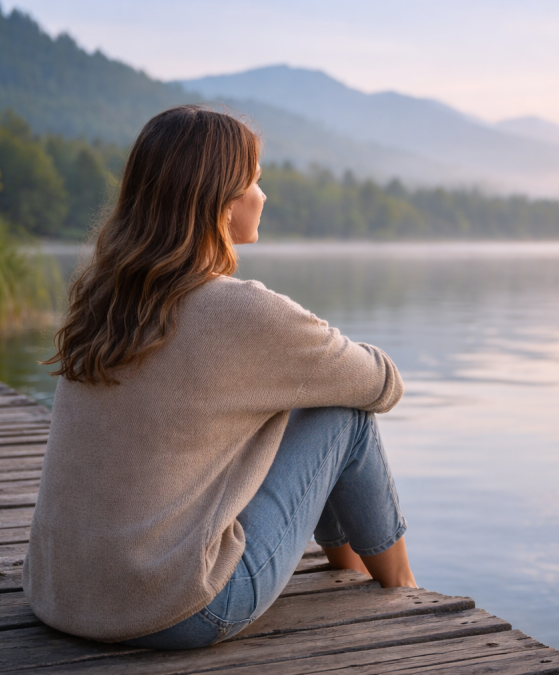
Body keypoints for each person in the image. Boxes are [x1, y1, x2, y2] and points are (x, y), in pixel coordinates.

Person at [23, 105, 416, 649]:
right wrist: (312, 349)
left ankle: (350, 576)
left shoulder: (101, 297)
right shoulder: (242, 312)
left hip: (60, 594)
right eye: (254, 179)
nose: (262, 194)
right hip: (177, 609)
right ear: (219, 200)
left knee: (305, 394)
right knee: (341, 411)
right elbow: (382, 384)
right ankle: (403, 589)